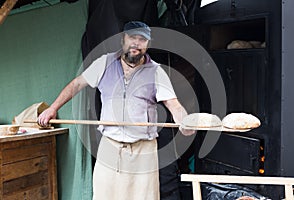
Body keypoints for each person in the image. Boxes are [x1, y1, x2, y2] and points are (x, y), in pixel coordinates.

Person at [38, 21, 195, 200]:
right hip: (110, 147)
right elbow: (77, 84)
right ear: (123, 40)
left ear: (148, 44)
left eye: (142, 39)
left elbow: (173, 104)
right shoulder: (104, 63)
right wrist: (53, 108)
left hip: (143, 150)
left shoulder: (156, 72)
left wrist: (184, 121)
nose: (136, 43)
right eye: (132, 38)